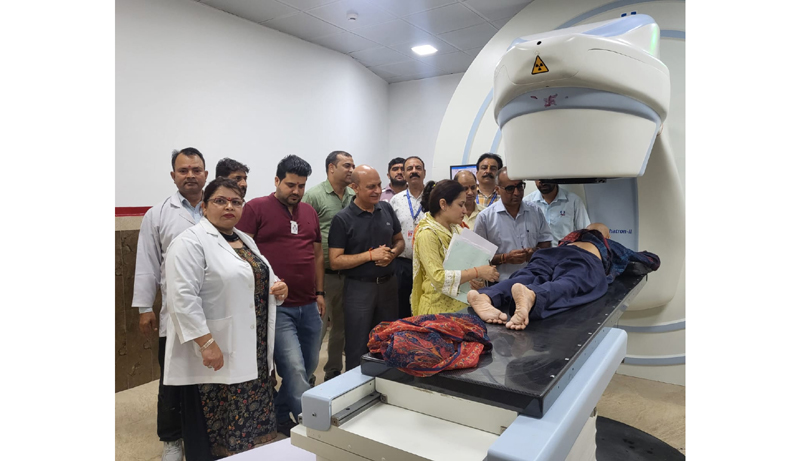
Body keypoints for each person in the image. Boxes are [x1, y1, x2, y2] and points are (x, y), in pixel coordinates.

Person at [163, 178, 288, 460]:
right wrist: (206, 342)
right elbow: (182, 298)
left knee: (254, 412)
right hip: (218, 347)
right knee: (221, 415)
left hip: (253, 347)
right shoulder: (189, 242)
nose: (229, 207)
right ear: (205, 207)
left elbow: (259, 276)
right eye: (220, 201)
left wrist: (280, 287)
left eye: (236, 201)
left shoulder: (245, 239)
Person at [237, 155, 324, 437]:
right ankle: (312, 426)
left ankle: (276, 411)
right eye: (290, 184)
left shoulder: (309, 212)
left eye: (301, 185)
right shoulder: (256, 208)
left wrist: (320, 292)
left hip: (309, 302)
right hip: (278, 307)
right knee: (295, 368)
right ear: (276, 181)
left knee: (310, 364)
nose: (296, 191)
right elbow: (242, 254)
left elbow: (317, 253)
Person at [131, 147, 208, 461]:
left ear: (205, 173)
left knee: (208, 379)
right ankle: (172, 440)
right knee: (172, 380)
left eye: (196, 169)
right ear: (173, 175)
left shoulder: (219, 207)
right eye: (183, 170)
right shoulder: (158, 213)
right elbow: (148, 263)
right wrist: (144, 307)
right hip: (174, 315)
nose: (190, 175)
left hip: (215, 312)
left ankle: (205, 435)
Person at [468, 223, 660, 330]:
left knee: (528, 275)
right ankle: (532, 296)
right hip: (584, 258)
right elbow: (651, 260)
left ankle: (485, 296)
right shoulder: (608, 244)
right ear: (605, 236)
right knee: (571, 281)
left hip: (549, 254)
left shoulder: (567, 241)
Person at [328, 165, 405, 370]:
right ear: (354, 187)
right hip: (359, 289)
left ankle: (387, 383)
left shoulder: (386, 208)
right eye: (371, 187)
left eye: (379, 185)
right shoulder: (343, 219)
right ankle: (356, 389)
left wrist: (392, 254)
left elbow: (399, 241)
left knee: (388, 340)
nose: (378, 191)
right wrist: (370, 256)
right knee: (357, 344)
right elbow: (335, 260)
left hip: (388, 286)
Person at [301, 150, 355, 381]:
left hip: (350, 274)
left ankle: (333, 372)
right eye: (346, 165)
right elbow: (303, 233)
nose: (351, 169)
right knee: (317, 329)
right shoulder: (314, 196)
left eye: (353, 165)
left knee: (341, 329)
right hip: (323, 275)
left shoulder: (355, 195)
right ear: (331, 168)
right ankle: (308, 374)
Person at [411, 180, 499, 316]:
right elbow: (438, 278)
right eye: (460, 204)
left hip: (461, 308)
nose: (464, 210)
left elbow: (464, 267)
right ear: (443, 204)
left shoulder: (456, 229)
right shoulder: (427, 234)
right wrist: (477, 272)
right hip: (437, 311)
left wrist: (477, 281)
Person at [474, 167, 554, 281]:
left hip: (534, 280)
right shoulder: (485, 218)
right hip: (500, 285)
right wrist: (505, 258)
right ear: (497, 190)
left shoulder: (535, 211)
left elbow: (546, 243)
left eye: (520, 186)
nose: (517, 193)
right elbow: (478, 257)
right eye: (510, 188)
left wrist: (535, 252)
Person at [388, 156, 426, 319]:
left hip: (427, 263)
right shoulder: (396, 200)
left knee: (425, 304)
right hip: (403, 263)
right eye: (409, 169)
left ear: (424, 172)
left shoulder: (434, 196)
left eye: (418, 168)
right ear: (404, 173)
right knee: (401, 306)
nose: (414, 171)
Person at [523, 180, 590, 245]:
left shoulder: (573, 201)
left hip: (566, 253)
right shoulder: (526, 203)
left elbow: (585, 233)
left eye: (545, 177)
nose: (542, 181)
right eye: (538, 178)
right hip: (538, 254)